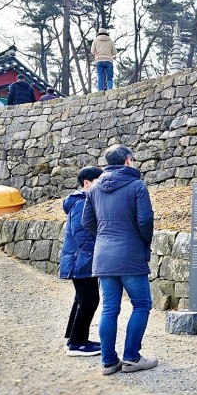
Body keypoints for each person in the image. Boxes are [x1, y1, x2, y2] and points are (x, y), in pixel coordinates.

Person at [82, 144, 156, 375]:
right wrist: (142, 241)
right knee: (142, 304)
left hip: (104, 256)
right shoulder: (136, 185)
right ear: (127, 160)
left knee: (109, 308)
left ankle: (108, 361)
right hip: (130, 254)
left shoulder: (94, 188)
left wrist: (103, 238)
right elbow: (145, 220)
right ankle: (132, 358)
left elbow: (87, 222)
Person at [59, 166, 104, 356]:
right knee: (90, 300)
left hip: (81, 259)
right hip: (82, 260)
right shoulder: (82, 202)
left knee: (82, 299)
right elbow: (81, 233)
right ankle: (77, 343)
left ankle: (75, 339)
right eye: (98, 181)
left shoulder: (81, 200)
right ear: (87, 183)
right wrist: (96, 252)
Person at [91, 27, 116, 92]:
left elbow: (92, 51)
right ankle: (110, 90)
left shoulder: (95, 40)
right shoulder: (110, 41)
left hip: (99, 61)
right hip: (108, 61)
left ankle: (100, 91)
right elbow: (114, 52)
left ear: (99, 33)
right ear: (106, 33)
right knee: (109, 78)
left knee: (100, 77)